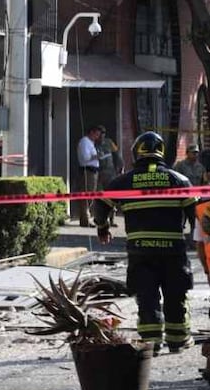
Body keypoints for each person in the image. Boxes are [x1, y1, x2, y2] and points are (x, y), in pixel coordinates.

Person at [93, 131, 198, 355]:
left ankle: (151, 343)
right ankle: (178, 341)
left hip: (140, 252)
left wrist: (103, 227)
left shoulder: (123, 182)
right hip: (173, 252)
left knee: (147, 297)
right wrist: (198, 239)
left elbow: (100, 205)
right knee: (176, 295)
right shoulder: (179, 180)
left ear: (136, 153)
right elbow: (197, 214)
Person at [76, 125, 104, 227]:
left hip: (93, 171)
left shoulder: (91, 143)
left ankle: (88, 218)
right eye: (96, 134)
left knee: (91, 195)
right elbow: (85, 158)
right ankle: (85, 220)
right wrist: (96, 156)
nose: (97, 137)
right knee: (86, 195)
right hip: (87, 171)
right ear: (91, 132)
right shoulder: (85, 142)